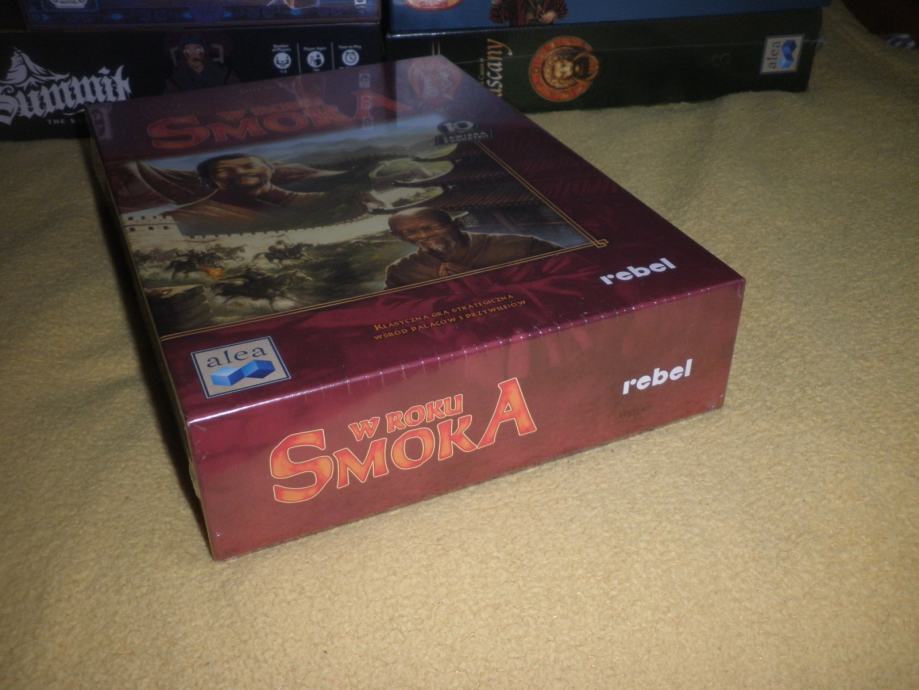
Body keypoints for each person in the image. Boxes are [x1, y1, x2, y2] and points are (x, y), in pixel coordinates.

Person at [384, 207, 560, 288]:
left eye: (433, 227)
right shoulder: (402, 271)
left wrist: (485, 280)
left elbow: (567, 275)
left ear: (456, 224)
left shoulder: (520, 246)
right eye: (409, 232)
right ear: (398, 236)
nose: (423, 236)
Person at [165, 153, 330, 236]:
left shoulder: (321, 199)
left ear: (271, 169)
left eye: (249, 166)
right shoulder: (185, 217)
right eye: (224, 170)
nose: (239, 173)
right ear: (209, 181)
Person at [490, 0, 568, 26]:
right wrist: (496, 4)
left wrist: (553, 13)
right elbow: (498, 18)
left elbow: (563, 10)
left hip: (546, 36)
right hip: (520, 37)